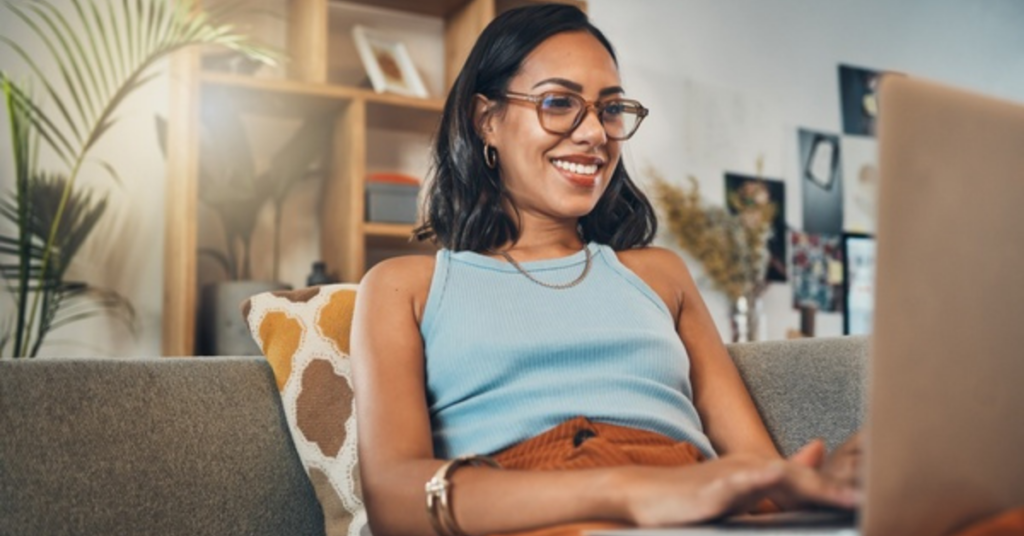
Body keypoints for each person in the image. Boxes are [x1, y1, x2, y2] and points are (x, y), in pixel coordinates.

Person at [350, 5, 860, 536]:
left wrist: (830, 491)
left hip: (691, 506)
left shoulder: (661, 276)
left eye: (610, 109)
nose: (594, 133)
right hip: (533, 510)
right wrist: (626, 491)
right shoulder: (403, 288)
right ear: (487, 120)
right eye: (559, 102)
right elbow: (395, 502)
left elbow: (761, 481)